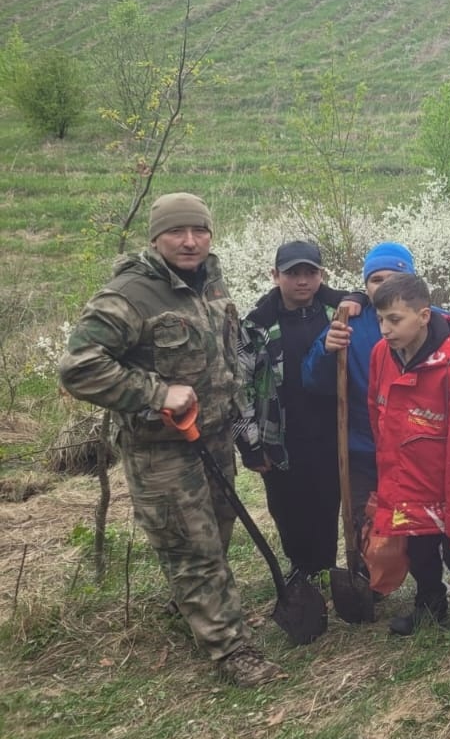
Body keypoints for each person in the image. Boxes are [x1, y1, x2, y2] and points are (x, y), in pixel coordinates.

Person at [58, 192, 284, 687]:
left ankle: (198, 611)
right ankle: (232, 651)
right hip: (162, 450)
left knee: (217, 536)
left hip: (214, 437)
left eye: (199, 231)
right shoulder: (129, 294)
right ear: (156, 238)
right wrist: (155, 392)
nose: (189, 240)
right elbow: (78, 367)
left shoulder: (209, 281)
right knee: (192, 547)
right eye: (177, 232)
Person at [367, 272, 450, 636]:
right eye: (380, 320)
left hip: (442, 479)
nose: (384, 330)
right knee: (417, 548)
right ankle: (429, 602)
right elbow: (376, 409)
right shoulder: (382, 355)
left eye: (394, 320)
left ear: (424, 316)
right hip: (403, 472)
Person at [243, 240, 348, 581]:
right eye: (292, 273)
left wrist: (356, 298)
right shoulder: (257, 325)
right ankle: (301, 569)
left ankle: (326, 568)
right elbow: (240, 388)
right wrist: (250, 445)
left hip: (333, 435)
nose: (302, 280)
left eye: (310, 272)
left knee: (328, 503)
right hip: (282, 438)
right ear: (275, 276)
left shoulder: (340, 313)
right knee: (287, 508)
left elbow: (382, 298)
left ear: (321, 275)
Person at [302, 242, 416, 541]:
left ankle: (429, 585)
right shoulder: (347, 323)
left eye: (394, 278)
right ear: (365, 286)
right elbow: (313, 381)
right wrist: (327, 351)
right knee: (365, 524)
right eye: (377, 280)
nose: (385, 286)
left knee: (417, 527)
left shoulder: (431, 319)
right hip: (365, 450)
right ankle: (365, 581)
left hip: (417, 450)